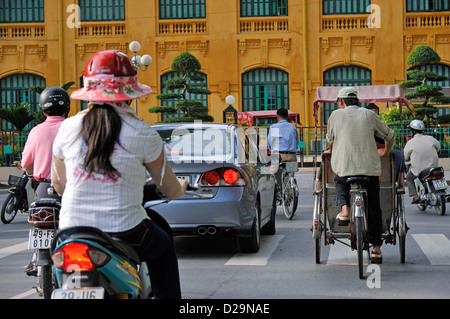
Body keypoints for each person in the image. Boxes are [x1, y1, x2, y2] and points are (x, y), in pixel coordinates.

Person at [51, 49, 188, 299]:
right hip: (126, 230)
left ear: (89, 90)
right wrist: (183, 185)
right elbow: (169, 189)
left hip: (71, 229)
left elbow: (59, 185)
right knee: (164, 247)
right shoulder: (142, 132)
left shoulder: (67, 128)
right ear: (129, 92)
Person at [326, 87, 394, 263]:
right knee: (374, 207)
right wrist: (386, 152)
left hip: (345, 167)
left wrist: (331, 152)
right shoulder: (369, 115)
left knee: (340, 180)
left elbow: (330, 141)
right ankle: (377, 249)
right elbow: (390, 135)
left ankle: (345, 208)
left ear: (341, 102)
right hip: (369, 169)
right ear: (357, 100)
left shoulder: (334, 116)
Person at [21, 86, 70, 276]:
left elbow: (26, 162)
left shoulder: (36, 131)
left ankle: (36, 258)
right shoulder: (74, 127)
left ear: (43, 110)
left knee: (39, 223)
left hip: (43, 187)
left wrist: (32, 174)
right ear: (67, 108)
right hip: (70, 189)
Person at [404, 119, 440, 204]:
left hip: (420, 169)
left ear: (412, 131)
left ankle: (415, 196)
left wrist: (408, 158)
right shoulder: (431, 138)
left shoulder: (410, 142)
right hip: (434, 167)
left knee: (409, 178)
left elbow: (405, 157)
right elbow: (438, 147)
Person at [267, 108, 299, 195]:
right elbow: (296, 142)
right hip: (291, 156)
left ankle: (276, 188)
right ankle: (291, 181)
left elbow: (270, 143)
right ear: (287, 116)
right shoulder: (293, 127)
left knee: (273, 173)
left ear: (277, 117)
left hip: (277, 155)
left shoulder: (274, 127)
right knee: (291, 172)